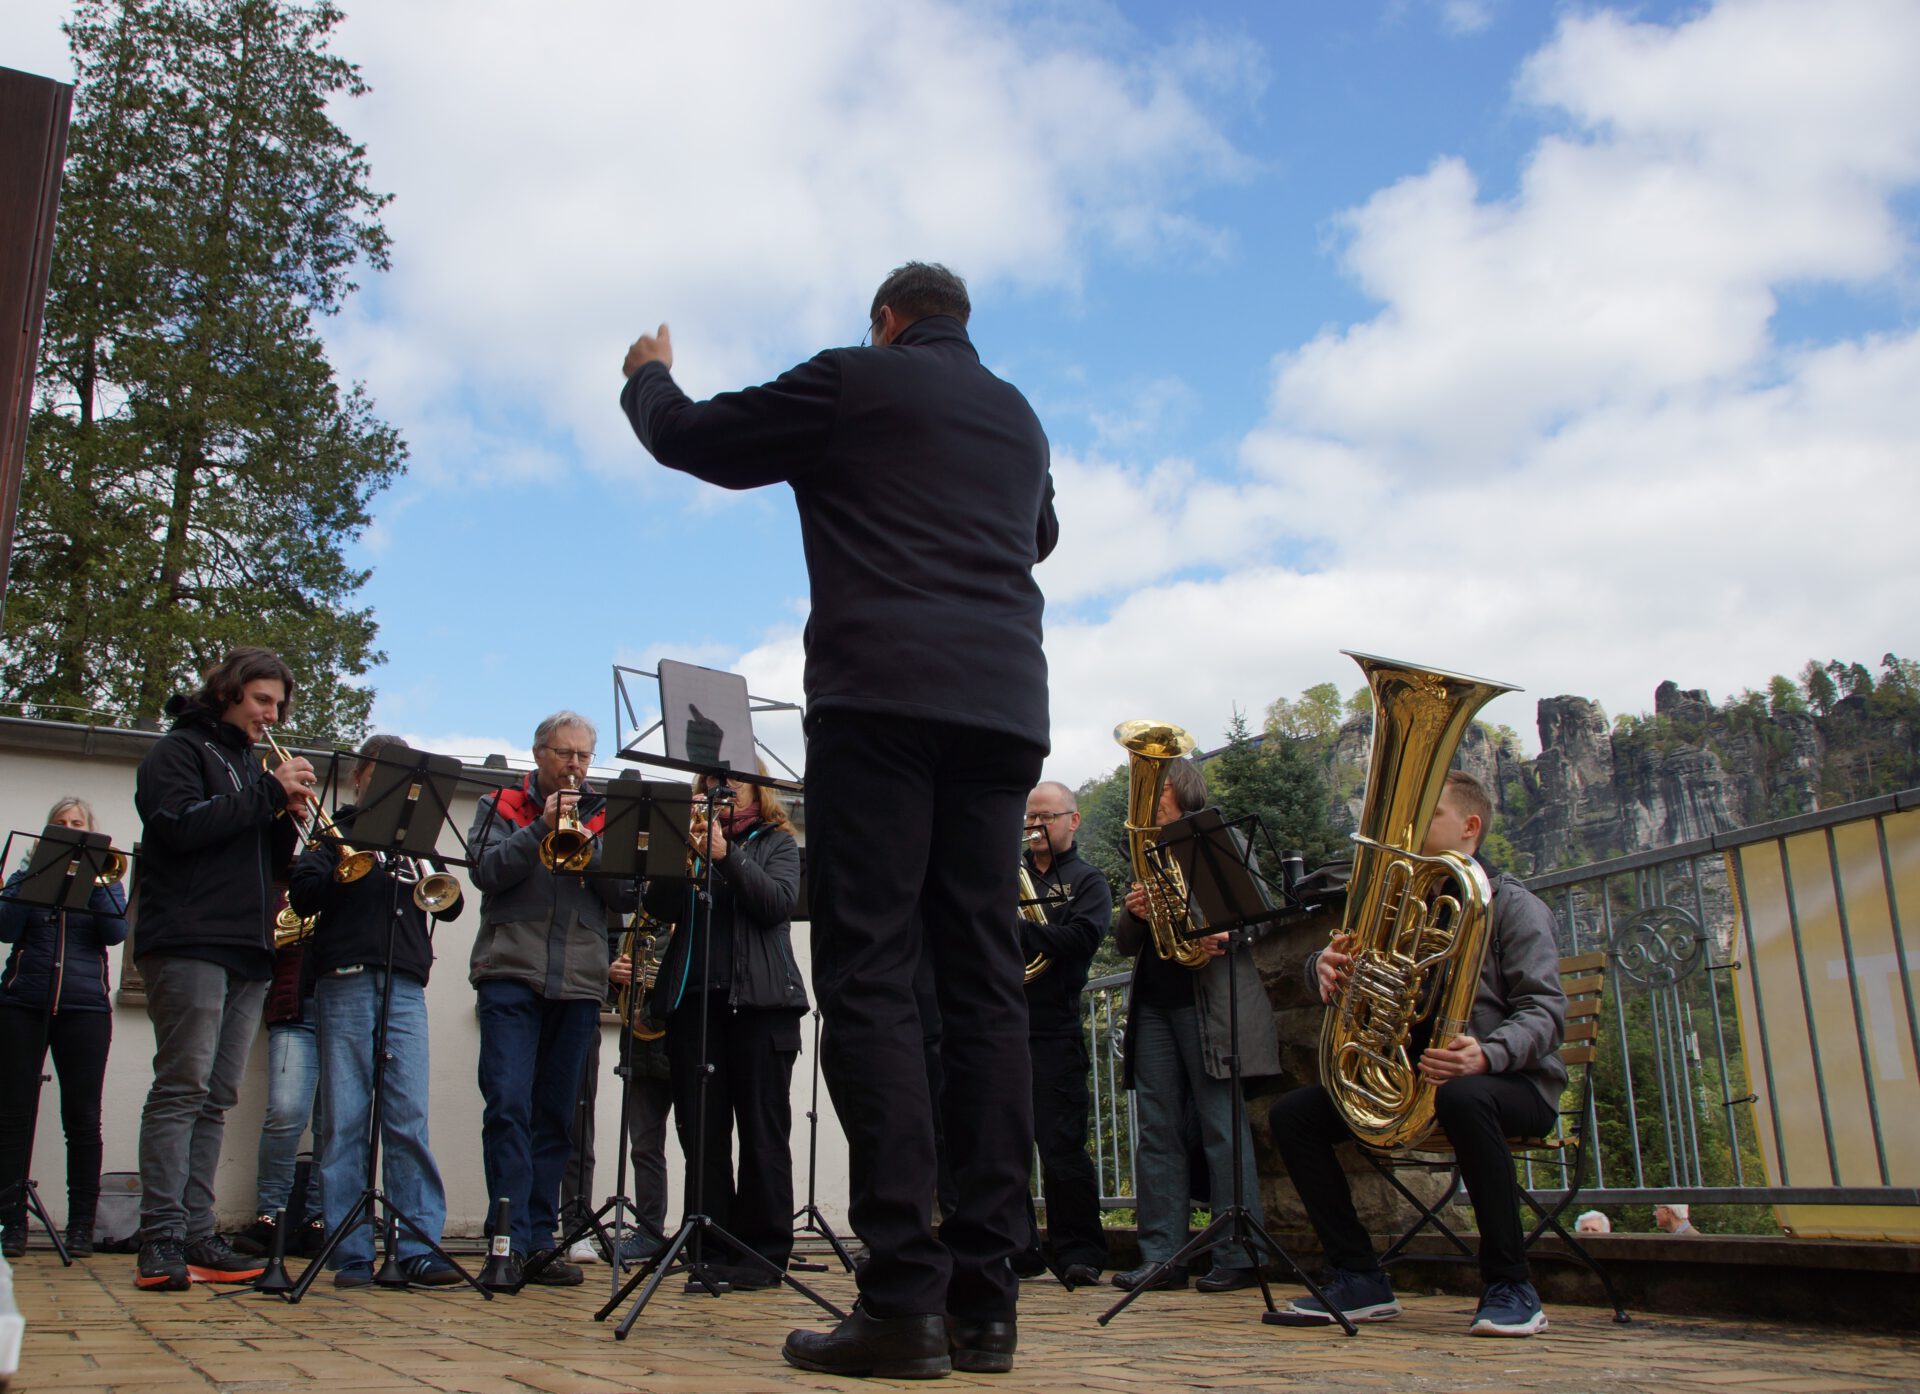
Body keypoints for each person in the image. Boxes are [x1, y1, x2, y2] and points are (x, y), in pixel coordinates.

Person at [622, 261, 1056, 1378]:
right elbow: (1039, 532)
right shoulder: (1018, 414)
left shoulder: (858, 380)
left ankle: (905, 1296)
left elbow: (702, 441)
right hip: (1004, 710)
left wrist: (650, 379)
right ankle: (987, 1301)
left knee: (870, 972)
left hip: (883, 701)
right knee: (984, 983)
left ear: (888, 319)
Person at [1268, 770, 1567, 1338]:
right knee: (1294, 1116)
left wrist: (1487, 1053)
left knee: (1464, 1097)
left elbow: (1546, 1013)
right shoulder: (1401, 902)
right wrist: (1323, 970)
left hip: (1512, 1085)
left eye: (1430, 815)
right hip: (1418, 1086)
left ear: (1470, 827)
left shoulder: (1514, 907)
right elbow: (1341, 972)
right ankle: (1359, 1278)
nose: (1408, 825)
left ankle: (1512, 1284)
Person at [131, 646, 312, 1291]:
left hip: (246, 947)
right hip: (187, 938)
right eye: (263, 700)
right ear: (231, 690)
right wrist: (269, 791)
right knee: (181, 1088)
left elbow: (263, 863)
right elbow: (177, 829)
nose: (272, 714)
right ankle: (159, 1237)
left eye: (279, 705)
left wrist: (286, 819)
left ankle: (199, 1230)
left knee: (217, 1096)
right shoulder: (177, 752)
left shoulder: (248, 765)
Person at [468, 711, 636, 1288]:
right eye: (564, 753)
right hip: (510, 973)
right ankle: (504, 1239)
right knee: (508, 1105)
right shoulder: (499, 805)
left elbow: (627, 894)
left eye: (584, 756)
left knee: (555, 1119)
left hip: (580, 982)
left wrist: (594, 844)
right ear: (538, 753)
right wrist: (540, 828)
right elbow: (486, 873)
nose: (575, 765)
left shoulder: (606, 813)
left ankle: (540, 1242)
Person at [290, 734, 465, 1288]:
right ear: (361, 776)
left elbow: (452, 904)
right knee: (344, 1121)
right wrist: (349, 865)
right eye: (382, 772)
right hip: (343, 977)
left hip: (406, 983)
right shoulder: (330, 830)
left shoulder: (417, 838)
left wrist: (428, 871)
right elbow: (303, 895)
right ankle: (350, 1251)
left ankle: (416, 1246)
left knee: (407, 1116)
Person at [1112, 758, 1279, 1296]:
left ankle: (1239, 1251)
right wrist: (1134, 913)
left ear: (1181, 789)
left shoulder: (1217, 838)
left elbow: (1264, 912)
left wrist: (1227, 935)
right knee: (1156, 1132)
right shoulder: (1143, 850)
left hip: (1209, 1003)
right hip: (1157, 1006)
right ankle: (1161, 1256)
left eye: (1155, 787)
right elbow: (1124, 943)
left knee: (1220, 1127)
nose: (1147, 797)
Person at [642, 769, 806, 1288]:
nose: (721, 791)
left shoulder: (778, 841)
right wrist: (677, 847)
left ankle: (761, 1257)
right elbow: (657, 906)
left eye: (733, 783)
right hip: (696, 1004)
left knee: (762, 1134)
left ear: (759, 792)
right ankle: (710, 1246)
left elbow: (777, 903)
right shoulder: (690, 840)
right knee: (703, 1134)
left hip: (761, 1007)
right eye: (711, 782)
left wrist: (724, 856)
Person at [0, 798, 129, 1259]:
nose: (71, 830)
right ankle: (11, 1221)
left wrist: (93, 879)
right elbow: (5, 925)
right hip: (22, 1003)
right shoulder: (27, 873)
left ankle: (81, 1226)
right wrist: (42, 876)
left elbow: (116, 932)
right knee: (13, 1115)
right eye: (62, 825)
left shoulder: (106, 878)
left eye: (78, 825)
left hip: (84, 1007)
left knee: (82, 1118)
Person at [1014, 781, 1111, 1285]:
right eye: (1030, 818)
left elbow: (1081, 939)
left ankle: (1080, 1252)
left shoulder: (1089, 882)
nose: (1036, 827)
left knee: (1062, 1145)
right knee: (1004, 1145)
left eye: (1047, 817)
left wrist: (1018, 930)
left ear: (1072, 820)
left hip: (1054, 1027)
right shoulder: (1008, 876)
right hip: (1005, 1024)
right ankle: (1017, 1249)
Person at [229, 928, 324, 1261]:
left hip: (347, 1008)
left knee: (335, 1121)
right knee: (285, 1113)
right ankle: (271, 1217)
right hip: (295, 1007)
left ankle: (319, 1218)